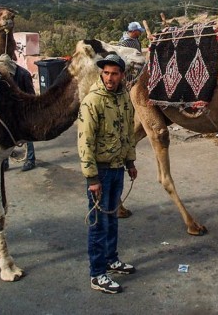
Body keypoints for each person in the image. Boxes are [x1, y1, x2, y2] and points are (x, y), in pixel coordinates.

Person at [77, 53, 138, 294]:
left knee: (112, 218)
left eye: (114, 73)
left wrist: (130, 161)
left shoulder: (124, 98)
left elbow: (128, 132)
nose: (109, 78)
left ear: (122, 75)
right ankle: (97, 273)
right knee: (98, 223)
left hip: (117, 169)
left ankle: (111, 260)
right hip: (100, 173)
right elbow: (85, 142)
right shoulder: (93, 101)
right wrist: (92, 178)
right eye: (106, 73)